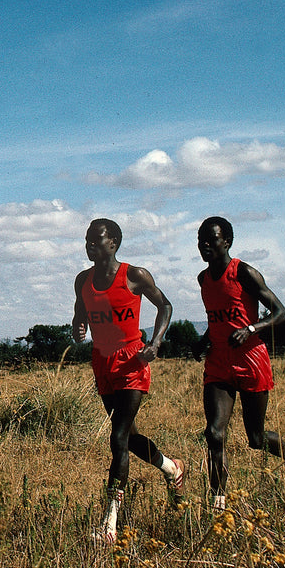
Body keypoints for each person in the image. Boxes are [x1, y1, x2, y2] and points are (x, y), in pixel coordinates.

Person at [71, 218, 185, 544]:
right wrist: (78, 329)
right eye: (87, 239)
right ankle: (172, 469)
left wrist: (156, 343)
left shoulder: (134, 276)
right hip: (102, 363)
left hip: (132, 362)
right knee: (130, 437)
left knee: (118, 437)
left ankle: (110, 525)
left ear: (114, 242)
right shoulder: (83, 280)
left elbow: (165, 305)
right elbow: (80, 315)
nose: (90, 244)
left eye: (96, 239)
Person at [197, 216, 285, 513]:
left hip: (251, 360)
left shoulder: (244, 272)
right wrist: (204, 338)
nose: (204, 245)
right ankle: (218, 503)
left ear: (227, 242)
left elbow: (282, 313)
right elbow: (218, 319)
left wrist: (252, 329)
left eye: (212, 239)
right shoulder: (203, 279)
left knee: (255, 439)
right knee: (214, 433)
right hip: (219, 362)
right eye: (200, 240)